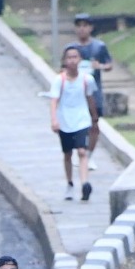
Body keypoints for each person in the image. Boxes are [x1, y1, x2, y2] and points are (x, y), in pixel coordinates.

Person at [50, 45, 99, 200]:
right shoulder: (59, 80)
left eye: (75, 57)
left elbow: (90, 98)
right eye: (69, 57)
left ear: (80, 60)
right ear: (64, 61)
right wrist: (54, 119)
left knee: (82, 151)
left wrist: (94, 118)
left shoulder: (87, 80)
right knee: (67, 154)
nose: (72, 60)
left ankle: (85, 183)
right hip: (65, 121)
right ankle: (70, 183)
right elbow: (54, 101)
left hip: (82, 120)